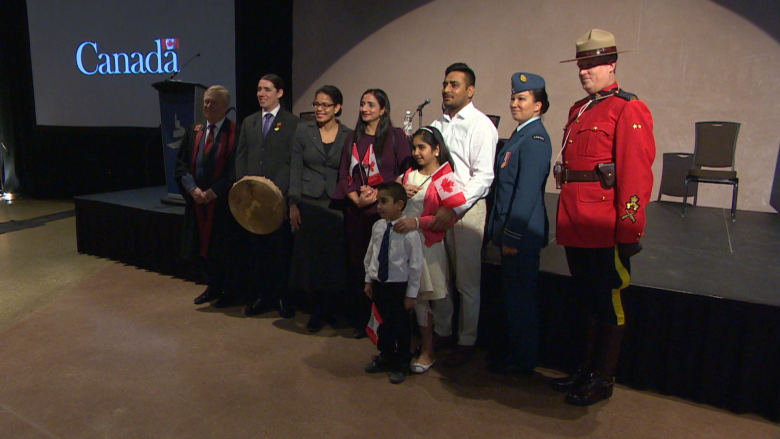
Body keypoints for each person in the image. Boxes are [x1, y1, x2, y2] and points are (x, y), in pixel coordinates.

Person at [550, 29, 655, 405]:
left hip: (604, 224)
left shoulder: (629, 108)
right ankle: (584, 370)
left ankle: (603, 378)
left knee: (608, 300)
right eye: (582, 64)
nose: (585, 71)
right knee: (586, 299)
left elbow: (636, 175)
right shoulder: (578, 109)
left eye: (593, 64)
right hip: (575, 220)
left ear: (612, 64)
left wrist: (628, 229)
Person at [428, 63, 498, 367]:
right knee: (439, 276)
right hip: (437, 209)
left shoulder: (481, 125)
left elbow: (483, 177)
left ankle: (467, 340)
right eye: (445, 83)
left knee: (467, 281)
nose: (446, 89)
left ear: (470, 91)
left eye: (454, 84)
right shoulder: (437, 125)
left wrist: (453, 208)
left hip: (465, 210)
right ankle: (442, 331)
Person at [485, 72, 552, 375]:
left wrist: (511, 237)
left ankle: (523, 362)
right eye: (513, 97)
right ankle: (514, 354)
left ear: (538, 105)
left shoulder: (535, 138)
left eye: (522, 98)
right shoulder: (520, 135)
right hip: (510, 234)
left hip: (521, 236)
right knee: (512, 298)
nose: (514, 103)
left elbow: (525, 195)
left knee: (521, 301)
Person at [333, 89, 411, 338]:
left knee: (381, 266)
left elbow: (405, 172)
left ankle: (385, 322)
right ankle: (361, 320)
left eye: (371, 104)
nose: (365, 108)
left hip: (383, 214)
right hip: (356, 212)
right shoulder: (352, 138)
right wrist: (355, 199)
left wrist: (379, 195)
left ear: (383, 109)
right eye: (362, 104)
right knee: (359, 266)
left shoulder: (396, 136)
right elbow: (344, 174)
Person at [394, 126, 463, 374]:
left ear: (436, 149)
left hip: (429, 245)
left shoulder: (445, 177)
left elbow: (447, 216)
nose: (416, 152)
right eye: (414, 148)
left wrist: (418, 222)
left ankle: (432, 346)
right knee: (413, 297)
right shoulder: (408, 175)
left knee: (431, 297)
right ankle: (421, 344)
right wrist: (400, 191)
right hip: (406, 245)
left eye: (422, 147)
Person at [236, 74, 303, 318]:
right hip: (253, 201)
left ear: (280, 93)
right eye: (258, 89)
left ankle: (282, 297)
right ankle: (261, 296)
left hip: (278, 199)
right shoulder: (249, 122)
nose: (261, 93)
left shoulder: (293, 123)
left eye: (266, 89)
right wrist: (243, 188)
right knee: (258, 251)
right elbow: (241, 158)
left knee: (280, 251)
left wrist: (281, 192)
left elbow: (293, 162)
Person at [288, 85, 352, 333]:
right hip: (308, 201)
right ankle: (315, 310)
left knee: (333, 259)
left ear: (338, 108)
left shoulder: (348, 134)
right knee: (311, 258)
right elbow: (295, 167)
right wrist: (293, 203)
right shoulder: (303, 131)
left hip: (336, 203)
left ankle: (331, 309)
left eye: (325, 105)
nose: (319, 109)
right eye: (316, 104)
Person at [175, 85, 241, 308]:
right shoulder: (195, 131)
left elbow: (235, 169)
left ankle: (230, 291)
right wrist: (193, 190)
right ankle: (212, 286)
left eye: (213, 102)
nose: (208, 106)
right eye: (205, 102)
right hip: (198, 202)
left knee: (224, 250)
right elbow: (181, 163)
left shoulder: (236, 132)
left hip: (223, 204)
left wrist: (213, 193)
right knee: (203, 249)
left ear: (225, 106)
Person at [362, 181, 423, 384]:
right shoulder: (378, 227)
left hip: (398, 286)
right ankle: (385, 356)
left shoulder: (409, 232)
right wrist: (368, 280)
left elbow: (415, 265)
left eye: (384, 201)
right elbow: (371, 255)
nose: (379, 206)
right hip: (380, 284)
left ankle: (402, 362)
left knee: (401, 326)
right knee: (383, 323)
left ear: (399, 205)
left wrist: (411, 294)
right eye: (378, 201)